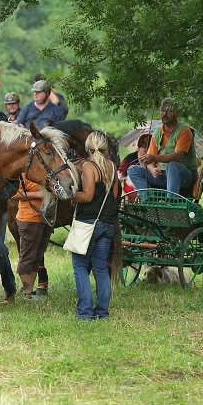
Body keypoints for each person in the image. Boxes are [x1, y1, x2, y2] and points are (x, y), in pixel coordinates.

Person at [70, 130, 119, 320]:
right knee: (100, 266)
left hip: (88, 223)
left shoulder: (89, 167)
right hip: (107, 223)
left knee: (80, 265)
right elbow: (114, 196)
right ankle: (102, 312)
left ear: (88, 147)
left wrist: (72, 195)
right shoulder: (112, 167)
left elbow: (88, 196)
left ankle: (85, 311)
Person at [127, 98, 198, 196]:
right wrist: (153, 170)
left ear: (177, 114)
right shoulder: (157, 132)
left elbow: (177, 157)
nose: (165, 113)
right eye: (162, 110)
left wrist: (154, 157)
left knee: (172, 165)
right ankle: (150, 201)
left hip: (185, 178)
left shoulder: (184, 131)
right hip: (164, 176)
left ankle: (171, 202)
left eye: (169, 110)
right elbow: (150, 159)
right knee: (132, 169)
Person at [12, 173, 54, 300]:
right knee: (27, 256)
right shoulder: (23, 174)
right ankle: (27, 293)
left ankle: (29, 292)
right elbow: (13, 194)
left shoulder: (48, 172)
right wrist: (38, 194)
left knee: (37, 257)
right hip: (29, 219)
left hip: (45, 218)